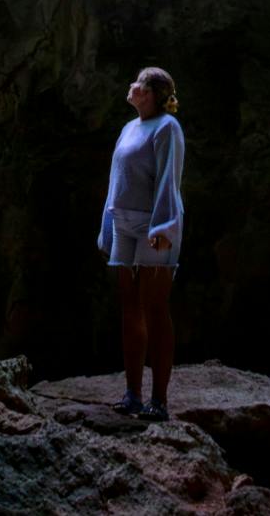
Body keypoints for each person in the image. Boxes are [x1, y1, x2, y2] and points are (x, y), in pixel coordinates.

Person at [95, 65, 186, 420]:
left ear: (148, 93)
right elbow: (115, 180)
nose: (131, 86)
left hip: (153, 225)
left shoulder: (167, 128)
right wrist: (107, 225)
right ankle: (133, 393)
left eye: (138, 82)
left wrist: (164, 225)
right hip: (123, 224)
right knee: (129, 306)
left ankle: (159, 400)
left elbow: (168, 178)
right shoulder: (128, 128)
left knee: (154, 307)